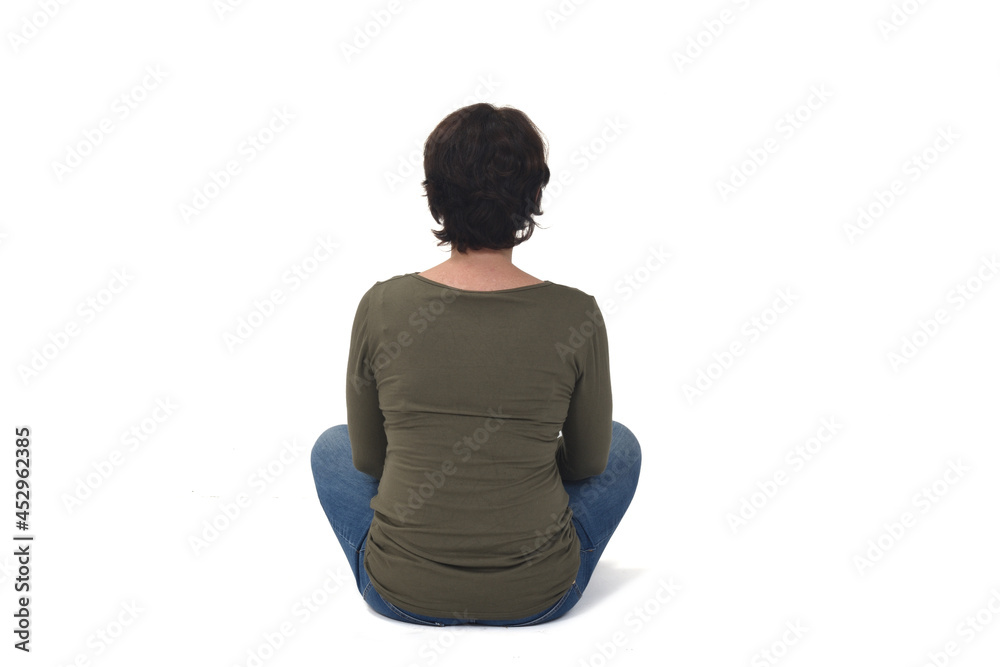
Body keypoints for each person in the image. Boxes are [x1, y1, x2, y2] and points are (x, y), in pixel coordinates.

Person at [311, 103, 641, 627]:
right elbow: (587, 465)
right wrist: (512, 461)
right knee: (619, 444)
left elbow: (370, 461)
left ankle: (413, 571)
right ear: (533, 195)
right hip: (540, 596)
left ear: (435, 195)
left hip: (399, 592)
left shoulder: (381, 305)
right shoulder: (577, 313)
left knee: (333, 446)